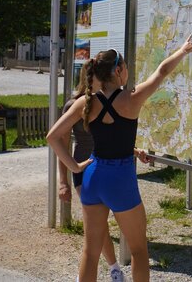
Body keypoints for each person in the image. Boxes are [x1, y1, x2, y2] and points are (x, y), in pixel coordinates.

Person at [47, 37, 192, 282]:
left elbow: (53, 136)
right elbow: (162, 71)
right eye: (125, 67)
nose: (127, 72)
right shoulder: (131, 99)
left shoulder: (86, 102)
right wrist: (182, 50)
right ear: (118, 71)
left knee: (90, 252)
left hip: (92, 176)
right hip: (120, 180)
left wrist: (75, 167)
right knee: (139, 250)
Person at [57, 61, 125, 282]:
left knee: (104, 223)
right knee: (97, 225)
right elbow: (61, 143)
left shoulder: (110, 101)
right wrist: (63, 181)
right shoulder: (74, 105)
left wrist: (134, 151)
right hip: (84, 170)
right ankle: (113, 269)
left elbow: (114, 138)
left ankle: (111, 270)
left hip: (109, 167)